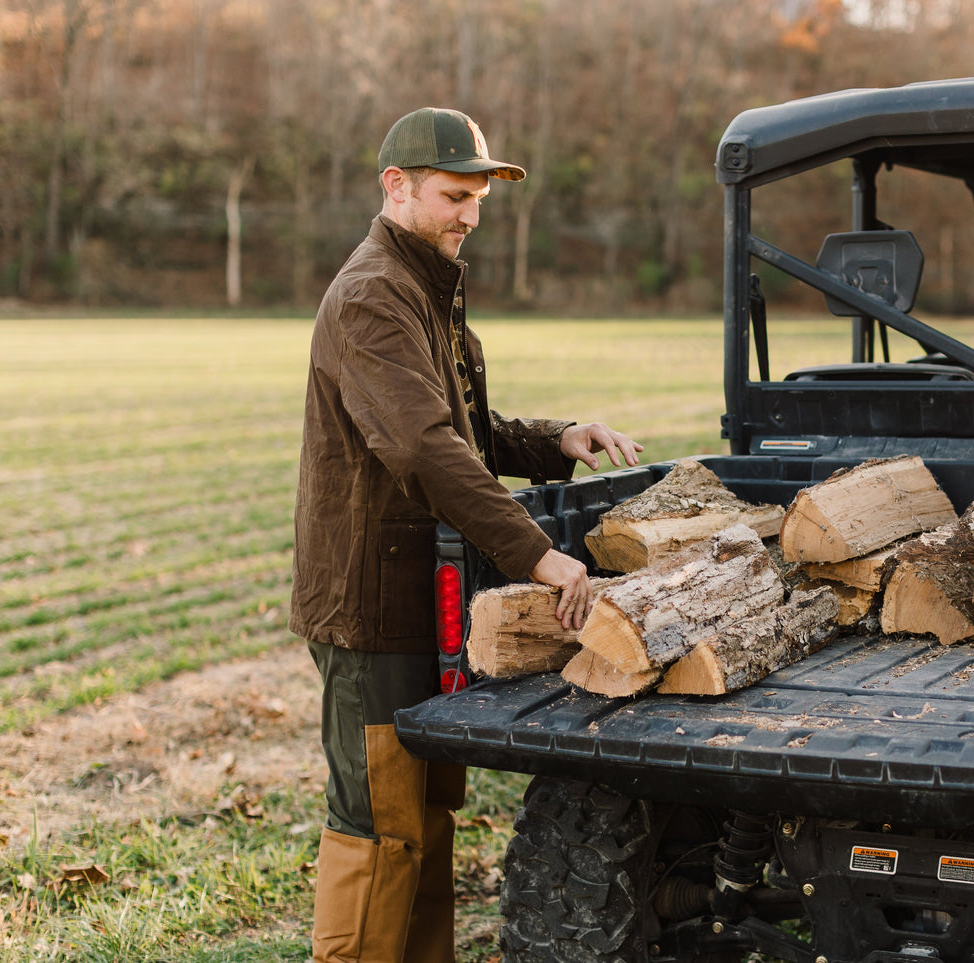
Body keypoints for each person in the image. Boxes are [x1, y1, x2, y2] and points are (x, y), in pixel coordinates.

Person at [289, 106, 642, 963]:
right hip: (370, 610)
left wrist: (554, 439)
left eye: (479, 197)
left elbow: (462, 429)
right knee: (378, 823)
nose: (471, 215)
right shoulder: (373, 295)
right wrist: (536, 552)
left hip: (418, 593)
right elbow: (422, 447)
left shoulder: (423, 287)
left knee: (423, 813)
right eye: (454, 196)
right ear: (396, 186)